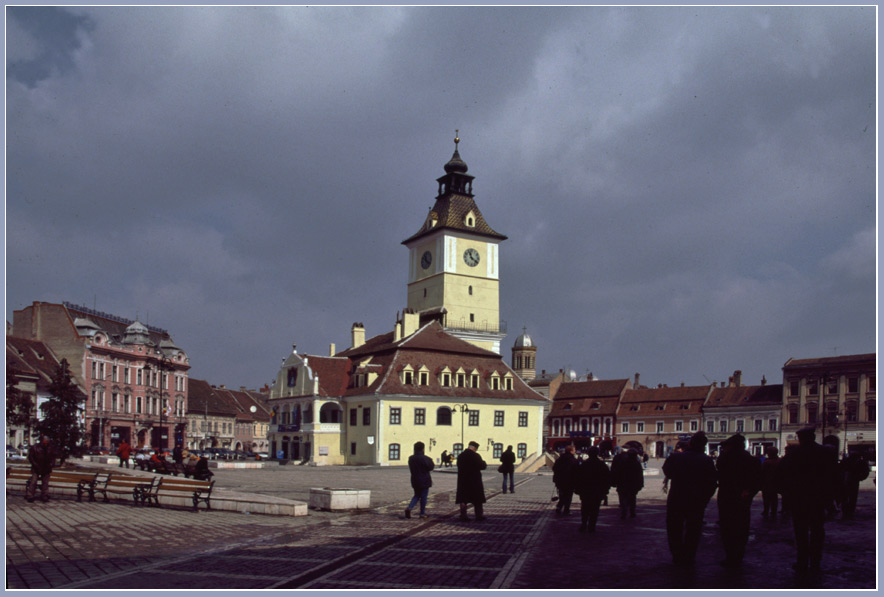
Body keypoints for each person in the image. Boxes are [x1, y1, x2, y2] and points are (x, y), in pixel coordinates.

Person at [777, 426, 838, 572]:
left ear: (800, 438)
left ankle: (802, 561)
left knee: (801, 531)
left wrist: (786, 493)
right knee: (817, 530)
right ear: (813, 437)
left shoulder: (793, 454)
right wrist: (833, 498)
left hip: (799, 498)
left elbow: (780, 476)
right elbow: (834, 476)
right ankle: (816, 562)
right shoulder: (826, 452)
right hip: (819, 498)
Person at [662, 431, 718, 566]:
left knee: (674, 528)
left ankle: (677, 554)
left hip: (677, 498)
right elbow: (712, 483)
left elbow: (667, 471)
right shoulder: (707, 460)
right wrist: (704, 499)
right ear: (704, 446)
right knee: (693, 529)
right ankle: (689, 555)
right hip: (696, 501)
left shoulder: (676, 457)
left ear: (690, 443)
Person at [715, 434, 762, 568]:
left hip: (726, 495)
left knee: (726, 526)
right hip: (743, 498)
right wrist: (750, 492)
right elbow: (758, 481)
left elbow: (718, 475)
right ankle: (739, 555)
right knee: (742, 526)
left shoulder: (724, 458)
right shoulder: (752, 460)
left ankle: (730, 555)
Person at [574, 446, 611, 533]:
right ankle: (592, 526)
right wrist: (605, 490)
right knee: (595, 509)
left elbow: (578, 478)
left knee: (585, 508)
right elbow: (607, 479)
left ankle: (583, 524)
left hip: (586, 491)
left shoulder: (584, 465)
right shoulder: (602, 465)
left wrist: (577, 489)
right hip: (597, 491)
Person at [456, 441, 487, 521]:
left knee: (463, 499)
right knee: (477, 499)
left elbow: (458, 465)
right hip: (474, 480)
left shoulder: (461, 456)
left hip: (463, 480)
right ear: (474, 448)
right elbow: (482, 466)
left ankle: (463, 515)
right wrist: (484, 462)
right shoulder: (476, 456)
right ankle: (479, 515)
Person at [611, 448, 644, 519]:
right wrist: (640, 484)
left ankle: (624, 512)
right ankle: (632, 512)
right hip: (632, 484)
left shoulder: (623, 463)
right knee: (632, 498)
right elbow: (640, 475)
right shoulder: (636, 463)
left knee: (623, 498)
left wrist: (614, 482)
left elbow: (617, 473)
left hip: (623, 484)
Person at [405, 441, 434, 519]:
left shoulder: (411, 458)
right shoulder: (426, 458)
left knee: (417, 495)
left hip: (415, 479)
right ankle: (422, 513)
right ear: (423, 449)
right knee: (423, 497)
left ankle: (409, 508)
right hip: (424, 480)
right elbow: (431, 467)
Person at [25, 435, 56, 503]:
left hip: (46, 467)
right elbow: (31, 457)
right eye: (45, 441)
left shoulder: (50, 448)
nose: (46, 443)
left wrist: (51, 464)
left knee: (45, 483)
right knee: (33, 482)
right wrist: (35, 464)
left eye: (47, 442)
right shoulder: (35, 447)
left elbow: (53, 457)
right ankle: (30, 495)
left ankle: (44, 495)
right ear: (42, 441)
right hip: (36, 467)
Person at [840, 451, 870, 518]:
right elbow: (866, 472)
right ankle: (849, 512)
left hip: (848, 481)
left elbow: (839, 470)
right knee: (851, 497)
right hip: (853, 481)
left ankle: (846, 512)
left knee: (846, 497)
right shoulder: (860, 462)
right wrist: (860, 478)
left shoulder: (846, 461)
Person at [552, 445, 578, 515]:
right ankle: (566, 510)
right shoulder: (573, 460)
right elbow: (576, 471)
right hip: (570, 481)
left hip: (560, 481)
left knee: (562, 495)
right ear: (571, 451)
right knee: (568, 496)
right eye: (574, 450)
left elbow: (554, 468)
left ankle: (559, 507)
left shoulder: (560, 459)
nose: (575, 451)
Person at [760, 446, 781, 519]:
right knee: (774, 498)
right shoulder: (779, 461)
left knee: (766, 498)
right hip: (775, 482)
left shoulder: (767, 462)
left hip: (767, 483)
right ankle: (773, 512)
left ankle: (766, 511)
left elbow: (762, 473)